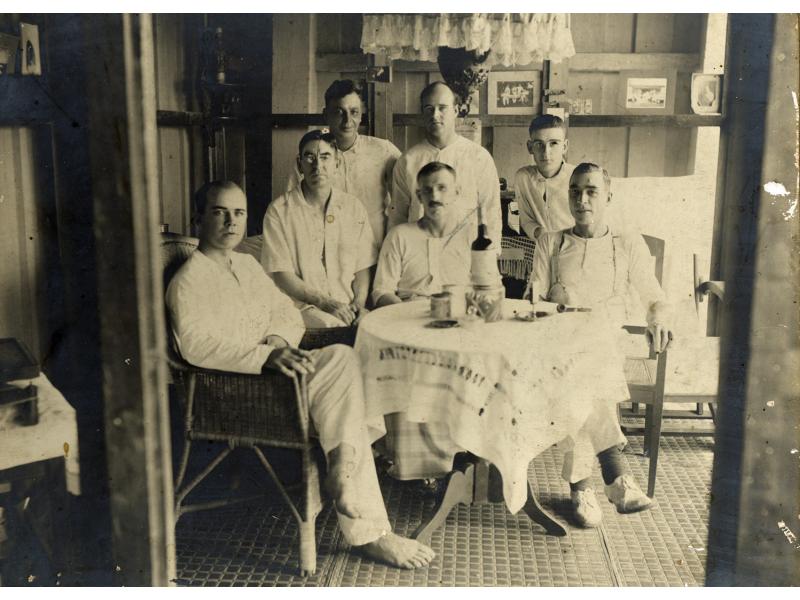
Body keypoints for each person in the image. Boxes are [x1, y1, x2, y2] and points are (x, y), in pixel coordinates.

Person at [166, 181, 435, 569]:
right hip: (235, 390)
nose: (230, 222)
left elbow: (286, 311)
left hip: (275, 378)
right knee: (345, 391)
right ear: (198, 217)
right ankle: (367, 527)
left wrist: (277, 338)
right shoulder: (189, 279)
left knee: (344, 359)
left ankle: (341, 473)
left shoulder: (244, 264)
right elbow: (195, 346)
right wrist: (266, 354)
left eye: (239, 213)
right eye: (219, 212)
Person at [526, 162, 674, 528]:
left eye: (591, 190)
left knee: (587, 370)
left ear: (608, 195)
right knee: (584, 366)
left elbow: (655, 297)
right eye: (575, 190)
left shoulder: (627, 242)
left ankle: (584, 487)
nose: (582, 198)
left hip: (607, 344)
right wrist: (556, 299)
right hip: (557, 344)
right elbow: (534, 301)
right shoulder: (552, 241)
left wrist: (658, 317)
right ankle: (615, 475)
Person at [262, 130, 376, 328]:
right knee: (334, 326)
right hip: (301, 307)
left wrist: (359, 304)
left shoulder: (353, 207)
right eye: (309, 157)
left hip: (347, 306)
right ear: (299, 165)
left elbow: (362, 266)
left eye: (325, 157)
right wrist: (326, 303)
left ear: (337, 163)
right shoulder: (279, 210)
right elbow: (281, 274)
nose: (317, 166)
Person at [286, 79, 401, 246]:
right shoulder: (311, 157)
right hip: (326, 249)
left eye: (354, 112)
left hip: (375, 248)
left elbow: (404, 199)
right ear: (326, 115)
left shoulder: (384, 150)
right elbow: (293, 207)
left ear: (361, 114)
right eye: (339, 112)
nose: (348, 121)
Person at [388, 82, 501, 249]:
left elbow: (491, 212)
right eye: (429, 108)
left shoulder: (478, 157)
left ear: (455, 111)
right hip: (419, 252)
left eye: (442, 108)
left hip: (465, 252)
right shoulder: (408, 160)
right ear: (422, 113)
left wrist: (488, 259)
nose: (435, 115)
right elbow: (398, 215)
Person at [372, 162, 471, 307]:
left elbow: (488, 288)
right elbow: (382, 291)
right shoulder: (399, 236)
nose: (434, 196)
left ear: (456, 192)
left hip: (460, 317)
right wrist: (406, 313)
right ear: (419, 196)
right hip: (408, 318)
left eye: (442, 188)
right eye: (427, 190)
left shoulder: (471, 236)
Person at [513, 114, 576, 240]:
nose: (546, 152)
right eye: (539, 144)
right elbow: (526, 219)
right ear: (530, 147)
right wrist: (538, 232)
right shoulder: (523, 177)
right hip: (540, 248)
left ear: (564, 147)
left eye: (553, 143)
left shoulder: (577, 176)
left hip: (574, 248)